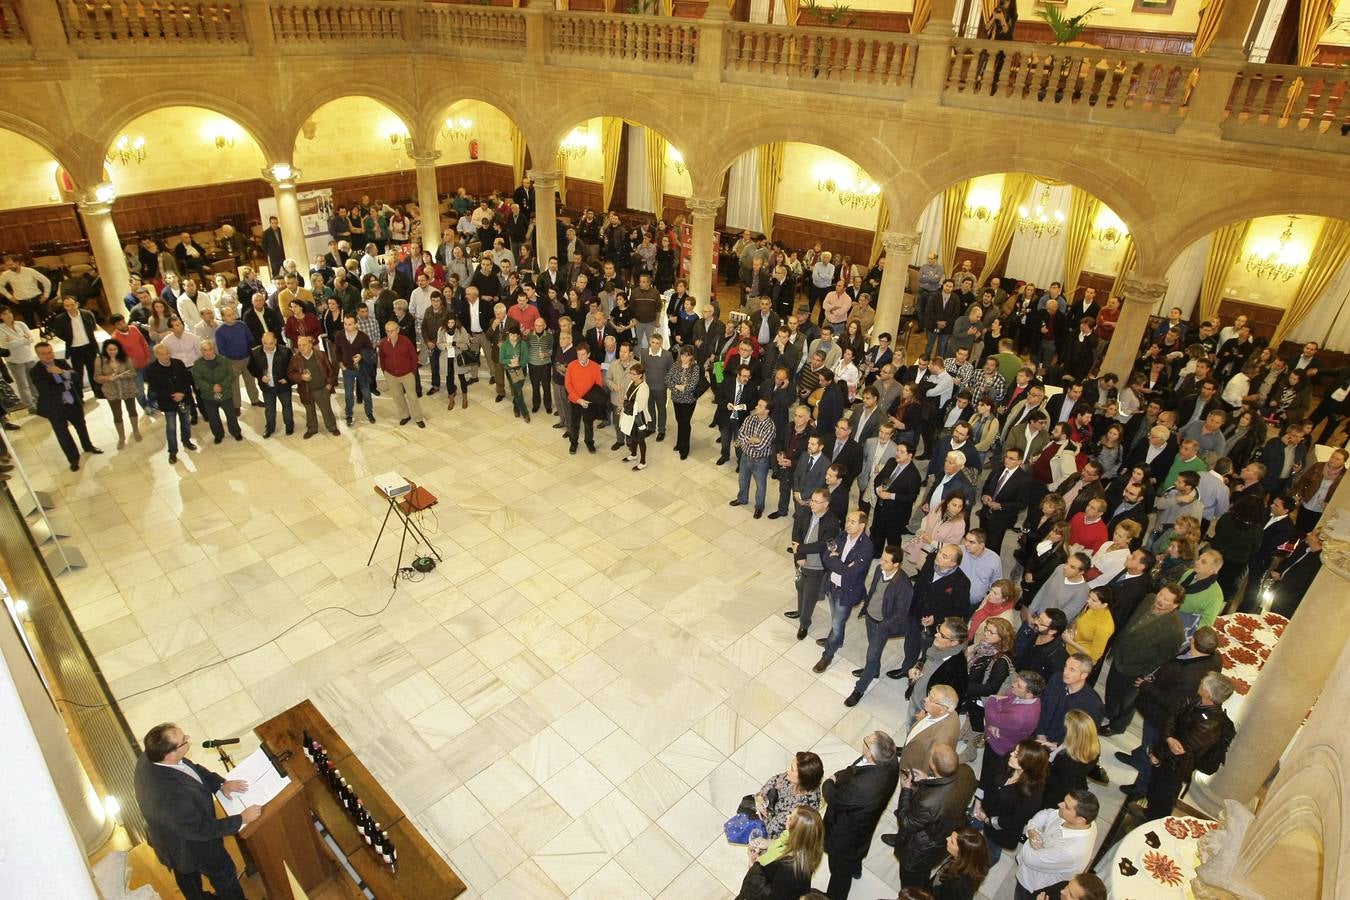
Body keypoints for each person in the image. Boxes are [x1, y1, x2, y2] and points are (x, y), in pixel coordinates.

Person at [134, 723, 261, 900]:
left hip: (172, 836)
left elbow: (191, 769)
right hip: (193, 846)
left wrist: (220, 784)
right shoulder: (167, 796)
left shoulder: (153, 755)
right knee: (224, 875)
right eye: (184, 740)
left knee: (186, 875)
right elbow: (199, 829)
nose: (188, 738)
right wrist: (241, 819)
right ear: (170, 754)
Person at [1118, 625, 1222, 798]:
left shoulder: (1191, 676)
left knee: (1152, 747)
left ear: (1193, 641)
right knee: (1147, 743)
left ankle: (1142, 786)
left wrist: (1146, 686)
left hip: (1160, 716)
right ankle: (1137, 759)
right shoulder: (1215, 658)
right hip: (1160, 706)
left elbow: (1171, 702)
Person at [1138, 673, 1234, 821]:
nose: (1200, 681)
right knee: (1154, 788)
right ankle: (1148, 813)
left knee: (1163, 797)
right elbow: (1172, 714)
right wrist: (1169, 738)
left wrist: (1156, 754)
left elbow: (1180, 748)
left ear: (1208, 694)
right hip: (1166, 756)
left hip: (1176, 766)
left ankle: (1152, 821)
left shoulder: (1211, 725)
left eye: (1203, 683)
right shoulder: (1196, 700)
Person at [885, 744, 978, 889]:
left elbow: (907, 822)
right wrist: (927, 779)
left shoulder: (929, 802)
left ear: (932, 764)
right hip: (946, 830)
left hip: (922, 848)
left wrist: (906, 790)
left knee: (912, 879)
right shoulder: (967, 772)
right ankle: (900, 841)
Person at [1100, 583, 1187, 736]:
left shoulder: (1175, 630)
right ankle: (1109, 712)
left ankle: (1117, 726)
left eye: (1166, 599)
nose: (1160, 600)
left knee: (1127, 701)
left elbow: (1164, 658)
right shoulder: (1149, 599)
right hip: (1120, 656)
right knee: (1112, 688)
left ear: (1175, 605)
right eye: (1160, 594)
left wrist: (1145, 675)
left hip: (1137, 670)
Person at [821, 731, 900, 899]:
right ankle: (855, 869)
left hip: (846, 834)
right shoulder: (891, 761)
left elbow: (835, 799)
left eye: (866, 741)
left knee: (839, 871)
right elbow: (854, 770)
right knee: (855, 854)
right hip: (865, 823)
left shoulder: (863, 786)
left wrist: (829, 782)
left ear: (870, 754)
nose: (863, 740)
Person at [844, 545, 912, 706]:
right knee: (873, 650)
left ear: (896, 564)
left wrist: (883, 626)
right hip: (870, 618)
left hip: (882, 625)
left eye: (886, 561)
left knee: (872, 656)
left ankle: (859, 689)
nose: (881, 563)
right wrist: (866, 608)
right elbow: (873, 591)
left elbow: (900, 613)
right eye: (882, 558)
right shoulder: (879, 570)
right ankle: (874, 671)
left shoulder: (903, 585)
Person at [813, 509, 874, 672]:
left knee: (837, 622)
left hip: (846, 591)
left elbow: (850, 572)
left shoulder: (866, 547)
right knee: (836, 619)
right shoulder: (842, 536)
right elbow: (826, 557)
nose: (847, 524)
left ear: (862, 525)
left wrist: (835, 559)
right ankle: (836, 639)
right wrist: (839, 563)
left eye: (852, 522)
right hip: (832, 585)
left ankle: (827, 655)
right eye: (847, 520)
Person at [1014, 790, 1100, 900]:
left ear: (1080, 820)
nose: (1060, 804)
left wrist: (1035, 833)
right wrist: (1032, 831)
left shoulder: (1069, 851)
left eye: (1066, 806)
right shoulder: (1087, 822)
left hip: (1032, 886)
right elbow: (1046, 813)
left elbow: (1029, 858)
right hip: (1031, 870)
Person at [972, 739, 1048, 864]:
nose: (1011, 754)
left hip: (999, 830)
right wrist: (978, 802)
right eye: (1014, 751)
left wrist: (987, 820)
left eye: (1017, 755)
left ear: (1028, 763)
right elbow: (988, 776)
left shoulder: (1033, 796)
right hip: (981, 809)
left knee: (990, 854)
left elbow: (1013, 820)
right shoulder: (1008, 761)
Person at [30, 341, 102, 470]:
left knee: (81, 426)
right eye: (44, 354)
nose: (48, 355)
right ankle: (73, 459)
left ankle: (88, 446)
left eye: (50, 352)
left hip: (72, 403)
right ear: (38, 355)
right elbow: (46, 390)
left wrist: (62, 372)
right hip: (55, 407)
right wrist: (66, 383)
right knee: (62, 434)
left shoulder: (61, 363)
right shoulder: (35, 371)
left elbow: (77, 377)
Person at [979, 671, 1046, 796]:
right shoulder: (1027, 697)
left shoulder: (1020, 716)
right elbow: (1004, 699)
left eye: (1018, 685)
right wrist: (994, 722)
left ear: (1029, 694)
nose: (1013, 685)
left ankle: (981, 797)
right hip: (1000, 736)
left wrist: (992, 700)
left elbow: (990, 711)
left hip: (998, 747)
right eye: (1016, 682)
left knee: (989, 775)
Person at [737, 805, 824, 900]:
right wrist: (763, 851)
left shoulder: (790, 869)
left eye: (791, 818)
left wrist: (754, 868)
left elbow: (770, 895)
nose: (787, 816)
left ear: (798, 832)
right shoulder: (804, 846)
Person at [753, 751, 825, 839]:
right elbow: (774, 780)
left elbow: (772, 829)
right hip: (772, 809)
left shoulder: (799, 810)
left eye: (792, 769)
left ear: (802, 779)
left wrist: (764, 813)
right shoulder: (792, 778)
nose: (787, 769)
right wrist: (760, 797)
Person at [144, 342, 196, 463]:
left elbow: (186, 379)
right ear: (156, 355)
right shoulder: (152, 369)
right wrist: (172, 395)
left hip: (183, 398)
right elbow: (155, 388)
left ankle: (186, 441)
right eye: (162, 354)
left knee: (186, 423)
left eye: (167, 353)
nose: (166, 356)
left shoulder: (178, 363)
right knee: (171, 428)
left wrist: (181, 393)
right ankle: (173, 451)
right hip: (168, 402)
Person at [1042, 709, 1101, 809]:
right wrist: (1057, 748)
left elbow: (1056, 778)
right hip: (1077, 784)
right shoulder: (1094, 746)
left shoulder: (1065, 759)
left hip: (1055, 793)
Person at [287, 334, 339, 437]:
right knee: (309, 411)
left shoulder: (321, 355)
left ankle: (332, 426)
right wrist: (301, 376)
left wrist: (329, 384)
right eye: (299, 345)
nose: (301, 348)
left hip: (322, 388)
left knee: (326, 409)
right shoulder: (295, 359)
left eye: (304, 345)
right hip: (306, 390)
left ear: (310, 345)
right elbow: (290, 373)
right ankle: (312, 428)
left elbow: (330, 370)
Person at [192, 340, 243, 444]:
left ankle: (236, 432)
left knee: (231, 415)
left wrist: (221, 386)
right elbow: (198, 380)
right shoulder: (197, 364)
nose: (208, 352)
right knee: (213, 417)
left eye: (210, 349)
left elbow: (231, 375)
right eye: (205, 350)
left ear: (213, 349)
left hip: (225, 393)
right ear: (201, 351)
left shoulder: (224, 360)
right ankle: (218, 435)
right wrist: (212, 387)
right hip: (208, 396)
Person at [93, 338, 140, 448]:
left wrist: (125, 375)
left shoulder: (125, 358)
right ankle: (121, 437)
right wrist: (108, 377)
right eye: (110, 349)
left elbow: (133, 373)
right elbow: (96, 377)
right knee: (117, 414)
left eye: (115, 349)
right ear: (105, 350)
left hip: (127, 388)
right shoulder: (100, 360)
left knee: (132, 410)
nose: (112, 352)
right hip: (111, 390)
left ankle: (136, 431)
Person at [379, 319, 426, 428]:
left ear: (398, 330)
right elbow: (382, 358)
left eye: (392, 331)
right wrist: (385, 372)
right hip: (391, 375)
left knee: (412, 397)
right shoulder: (383, 343)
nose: (390, 333)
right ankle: (405, 416)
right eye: (387, 331)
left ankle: (418, 418)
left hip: (407, 374)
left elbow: (414, 358)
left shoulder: (406, 341)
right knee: (397, 397)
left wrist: (412, 372)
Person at [248, 332, 294, 438]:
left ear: (276, 341)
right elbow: (251, 367)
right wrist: (260, 376)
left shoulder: (285, 351)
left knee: (287, 407)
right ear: (262, 341)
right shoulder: (255, 352)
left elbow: (292, 368)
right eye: (265, 343)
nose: (268, 346)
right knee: (269, 409)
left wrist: (287, 379)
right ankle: (269, 428)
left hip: (283, 386)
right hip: (267, 387)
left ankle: (289, 426)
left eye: (271, 343)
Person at [565, 341, 606, 454]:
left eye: (583, 354)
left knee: (588, 423)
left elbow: (598, 385)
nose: (580, 357)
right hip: (575, 400)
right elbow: (568, 384)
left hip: (589, 401)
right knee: (574, 423)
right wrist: (578, 399)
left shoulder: (595, 367)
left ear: (588, 354)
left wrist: (589, 400)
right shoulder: (571, 365)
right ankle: (574, 442)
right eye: (578, 354)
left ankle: (589, 442)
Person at [929, 826, 990, 900]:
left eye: (952, 842)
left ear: (962, 852)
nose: (947, 839)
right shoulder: (965, 861)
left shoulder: (960, 885)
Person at [620, 361, 651, 470]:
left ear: (640, 375)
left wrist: (626, 404)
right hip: (630, 415)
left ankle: (643, 462)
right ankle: (633, 454)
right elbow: (626, 396)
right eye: (630, 373)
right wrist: (625, 402)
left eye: (633, 374)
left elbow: (640, 406)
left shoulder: (644, 387)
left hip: (639, 417)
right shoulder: (631, 383)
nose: (631, 376)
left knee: (640, 440)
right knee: (632, 436)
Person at [499, 323, 530, 421]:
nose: (512, 337)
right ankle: (525, 413)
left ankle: (516, 407)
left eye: (515, 335)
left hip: (521, 369)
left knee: (517, 391)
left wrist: (518, 363)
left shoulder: (523, 344)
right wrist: (510, 362)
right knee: (518, 391)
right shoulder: (504, 345)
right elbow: (501, 359)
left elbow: (526, 358)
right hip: (510, 370)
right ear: (508, 334)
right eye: (511, 335)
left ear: (518, 335)